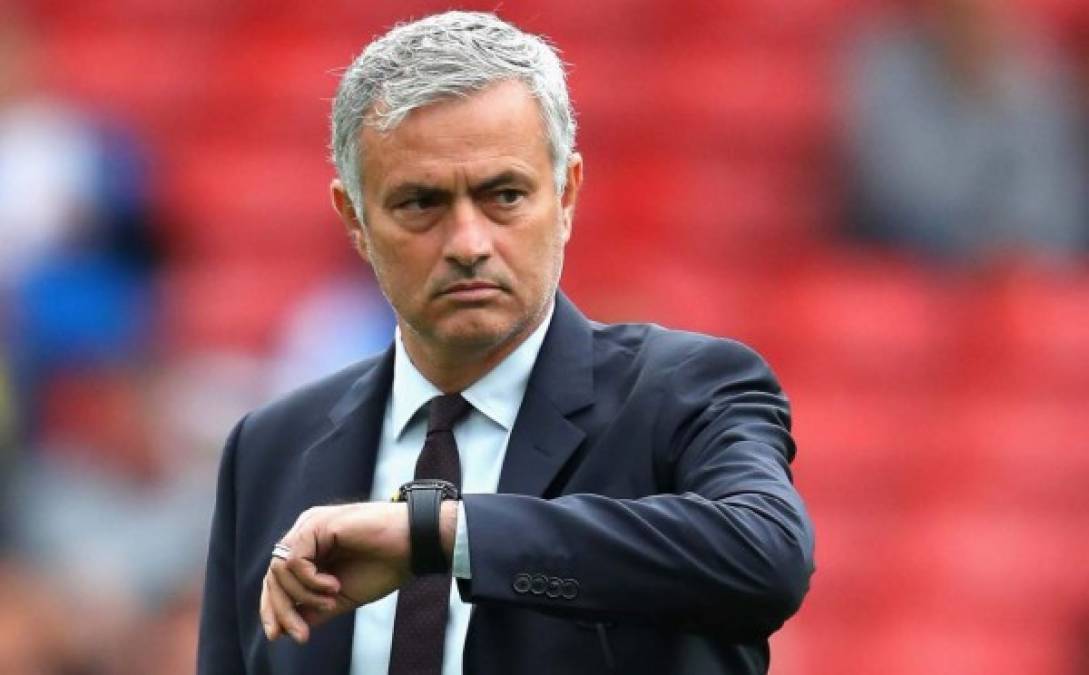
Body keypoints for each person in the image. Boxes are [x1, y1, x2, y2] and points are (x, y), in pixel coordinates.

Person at [197, 11, 814, 675]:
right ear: (354, 218)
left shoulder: (685, 391)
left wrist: (439, 535)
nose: (468, 243)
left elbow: (766, 554)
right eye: (420, 204)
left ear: (566, 193)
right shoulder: (270, 449)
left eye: (504, 195)